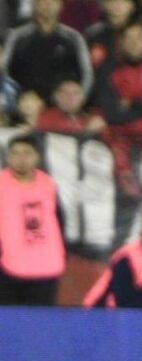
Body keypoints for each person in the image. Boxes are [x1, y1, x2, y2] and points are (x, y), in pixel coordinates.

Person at [0, 136, 66, 306]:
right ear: (7, 157)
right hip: (9, 268)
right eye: (15, 153)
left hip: (47, 268)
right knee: (10, 325)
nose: (20, 159)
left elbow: (59, 219)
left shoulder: (48, 184)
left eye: (27, 153)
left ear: (37, 156)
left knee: (40, 326)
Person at [0, 0, 93, 99]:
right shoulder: (17, 37)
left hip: (61, 109)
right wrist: (19, 99)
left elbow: (86, 74)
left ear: (61, 5)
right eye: (42, 1)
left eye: (53, 1)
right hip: (26, 106)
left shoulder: (73, 38)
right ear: (34, 5)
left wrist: (75, 100)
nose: (47, 4)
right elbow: (5, 71)